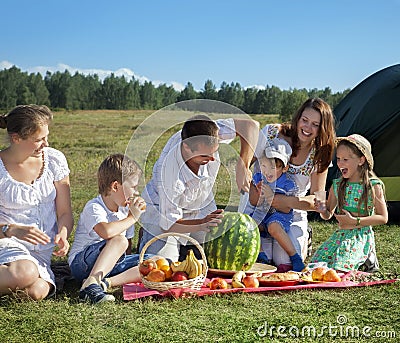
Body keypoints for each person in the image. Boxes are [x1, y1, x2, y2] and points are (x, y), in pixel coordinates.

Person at [139, 114, 259, 261]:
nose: (213, 159)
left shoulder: (206, 132)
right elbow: (168, 225)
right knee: (161, 264)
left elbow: (251, 126)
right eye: (205, 155)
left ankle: (188, 249)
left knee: (220, 253)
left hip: (201, 206)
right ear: (186, 147)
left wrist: (243, 165)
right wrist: (202, 224)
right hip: (164, 215)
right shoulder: (169, 175)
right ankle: (148, 235)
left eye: (214, 151)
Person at [244, 98, 336, 271]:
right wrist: (256, 194)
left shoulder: (320, 153)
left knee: (283, 262)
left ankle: (303, 238)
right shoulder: (273, 133)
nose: (307, 128)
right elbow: (247, 166)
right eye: (305, 120)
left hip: (291, 212)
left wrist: (286, 202)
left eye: (315, 124)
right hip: (256, 202)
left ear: (322, 128)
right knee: (259, 261)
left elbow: (317, 197)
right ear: (298, 118)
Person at [0, 104, 73, 300]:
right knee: (25, 273)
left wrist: (63, 234)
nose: (46, 144)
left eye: (46, 137)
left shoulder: (55, 160)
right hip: (6, 242)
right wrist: (12, 229)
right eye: (39, 140)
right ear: (16, 138)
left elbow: (65, 212)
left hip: (40, 254)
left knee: (36, 291)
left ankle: (9, 281)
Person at [68, 153, 155, 304]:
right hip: (82, 263)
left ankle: (104, 283)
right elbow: (106, 232)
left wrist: (131, 217)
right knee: (119, 240)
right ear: (115, 186)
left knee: (156, 261)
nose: (136, 193)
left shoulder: (123, 211)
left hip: (110, 265)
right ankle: (92, 282)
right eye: (133, 187)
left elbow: (126, 251)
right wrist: (132, 218)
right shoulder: (94, 207)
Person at [310, 134, 388, 272]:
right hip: (341, 235)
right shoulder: (338, 185)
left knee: (339, 268)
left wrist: (355, 221)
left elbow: (383, 218)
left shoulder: (373, 186)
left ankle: (369, 256)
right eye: (338, 159)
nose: (340, 164)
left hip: (361, 235)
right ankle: (366, 261)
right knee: (315, 266)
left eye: (345, 159)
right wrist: (322, 209)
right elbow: (328, 215)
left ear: (361, 160)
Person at [245, 138, 304, 271]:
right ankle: (261, 255)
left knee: (273, 227)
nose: (268, 171)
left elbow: (287, 208)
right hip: (262, 214)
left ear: (284, 168)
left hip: (279, 216)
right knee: (249, 224)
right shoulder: (259, 178)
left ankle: (295, 257)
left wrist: (271, 197)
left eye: (274, 167)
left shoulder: (287, 183)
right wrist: (258, 194)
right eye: (265, 166)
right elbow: (253, 202)